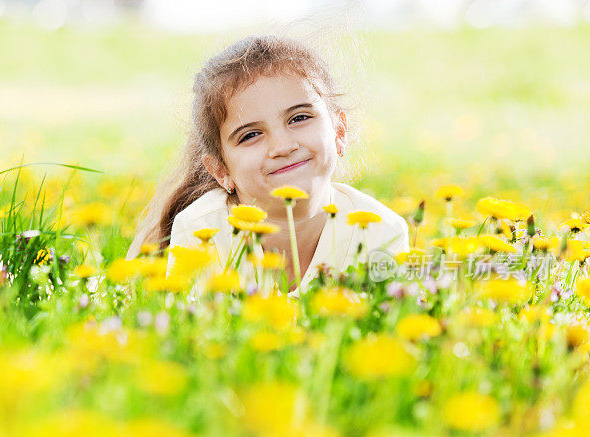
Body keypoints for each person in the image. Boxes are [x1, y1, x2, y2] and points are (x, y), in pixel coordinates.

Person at [127, 35, 409, 294]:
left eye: (299, 118)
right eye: (250, 135)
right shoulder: (203, 231)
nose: (283, 147)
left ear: (339, 132)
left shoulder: (381, 232)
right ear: (221, 171)